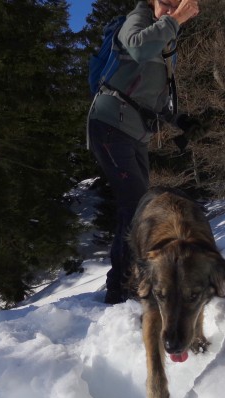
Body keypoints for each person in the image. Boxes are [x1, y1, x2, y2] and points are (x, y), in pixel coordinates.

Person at [87, 0, 207, 304]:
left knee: (137, 206)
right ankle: (123, 289)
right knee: (138, 208)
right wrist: (176, 19)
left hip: (133, 132)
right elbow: (138, 48)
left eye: (175, 6)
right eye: (165, 4)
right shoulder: (137, 20)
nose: (169, 11)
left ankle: (122, 283)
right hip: (110, 125)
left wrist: (178, 120)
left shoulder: (166, 38)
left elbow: (146, 96)